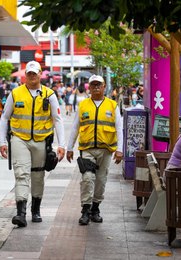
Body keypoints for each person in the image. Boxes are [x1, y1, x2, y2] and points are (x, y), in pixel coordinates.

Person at [0, 60, 66, 227]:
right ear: (25, 75)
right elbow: (5, 117)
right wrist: (2, 141)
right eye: (28, 73)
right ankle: (20, 213)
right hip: (19, 139)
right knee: (21, 173)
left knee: (38, 175)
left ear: (40, 74)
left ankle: (35, 210)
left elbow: (57, 120)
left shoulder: (49, 95)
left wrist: (62, 145)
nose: (31, 76)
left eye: (34, 73)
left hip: (41, 141)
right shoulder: (15, 94)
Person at [66, 75, 123, 225]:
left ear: (104, 87)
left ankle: (95, 209)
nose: (96, 87)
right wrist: (69, 148)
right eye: (93, 85)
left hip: (105, 150)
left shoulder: (112, 105)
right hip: (87, 149)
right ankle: (85, 210)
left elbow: (119, 129)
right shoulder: (83, 105)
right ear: (89, 88)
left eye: (99, 85)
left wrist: (120, 150)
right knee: (87, 179)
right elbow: (75, 127)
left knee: (100, 180)